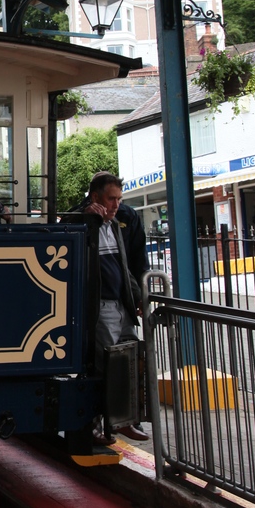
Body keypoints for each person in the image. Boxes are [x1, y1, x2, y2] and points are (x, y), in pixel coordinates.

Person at [71, 171, 149, 444]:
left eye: (119, 198)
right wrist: (86, 215)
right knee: (103, 365)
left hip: (121, 302)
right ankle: (94, 425)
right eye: (110, 198)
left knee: (127, 361)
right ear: (95, 197)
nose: (116, 204)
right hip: (100, 304)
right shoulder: (81, 219)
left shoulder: (119, 222)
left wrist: (138, 295)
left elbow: (125, 265)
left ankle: (123, 421)